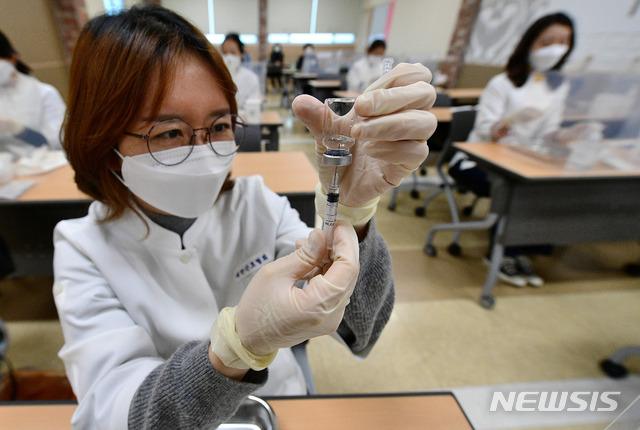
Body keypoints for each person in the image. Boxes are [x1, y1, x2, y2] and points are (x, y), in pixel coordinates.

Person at [53, 5, 437, 429]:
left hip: (279, 407)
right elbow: (119, 412)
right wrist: (236, 348)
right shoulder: (81, 247)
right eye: (169, 133)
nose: (202, 153)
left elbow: (360, 328)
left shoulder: (257, 204)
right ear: (104, 140)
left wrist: (350, 214)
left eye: (219, 126)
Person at [449, 12, 575, 287]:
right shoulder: (502, 83)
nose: (556, 48)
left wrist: (566, 135)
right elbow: (484, 130)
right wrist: (507, 123)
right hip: (479, 161)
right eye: (548, 41)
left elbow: (550, 131)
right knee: (516, 187)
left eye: (563, 42)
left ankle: (522, 248)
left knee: (548, 185)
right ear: (530, 43)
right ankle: (504, 252)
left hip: (527, 160)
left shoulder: (558, 86)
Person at [0, 30, 66, 154]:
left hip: (48, 166)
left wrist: (15, 128)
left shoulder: (45, 94)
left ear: (12, 58)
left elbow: (55, 143)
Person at [221, 33, 261, 111]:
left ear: (241, 54)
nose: (229, 58)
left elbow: (254, 108)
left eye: (233, 53)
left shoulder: (251, 78)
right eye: (225, 53)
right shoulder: (216, 77)